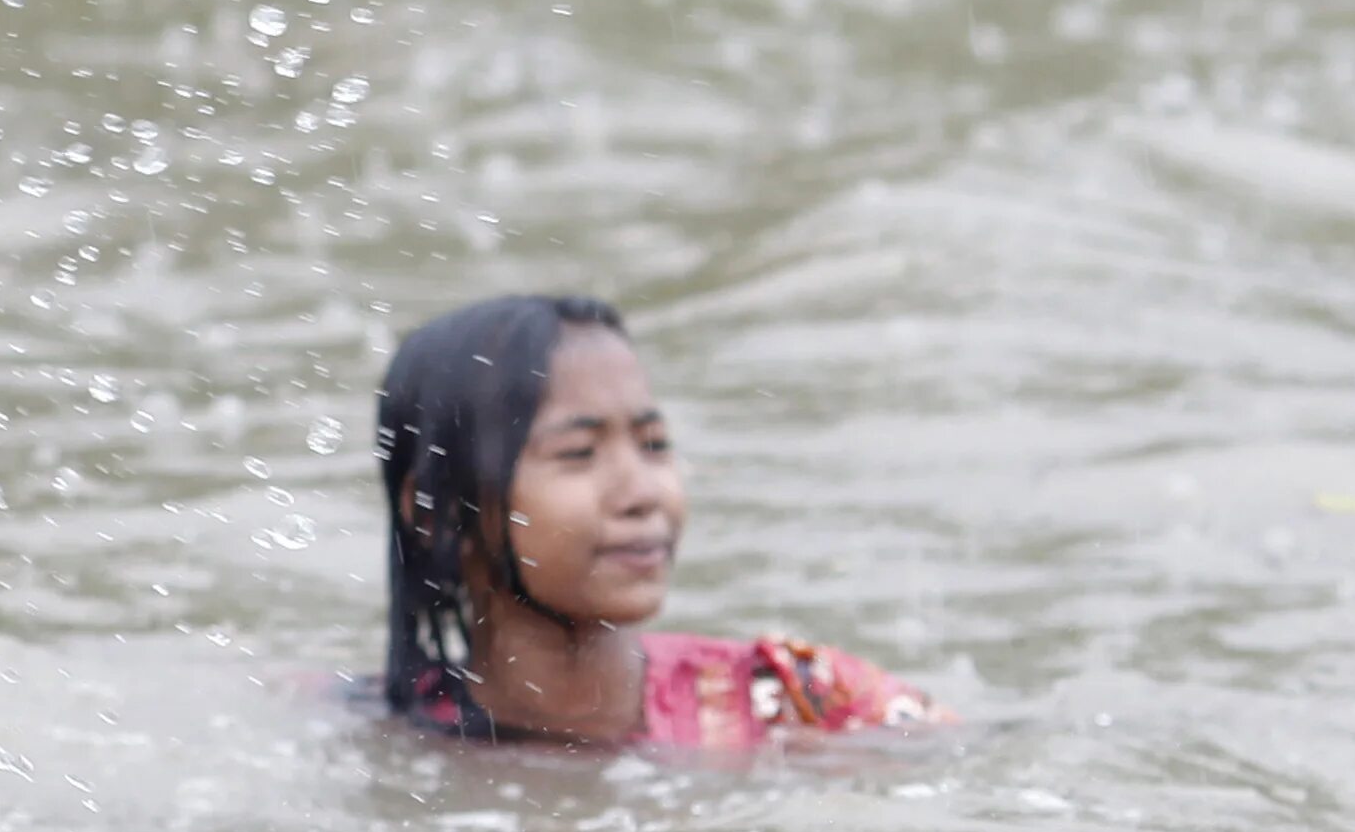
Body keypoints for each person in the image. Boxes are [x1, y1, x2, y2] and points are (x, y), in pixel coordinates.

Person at [375, 295, 944, 750]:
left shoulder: (810, 706)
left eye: (655, 444)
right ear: (438, 512)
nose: (644, 493)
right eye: (578, 452)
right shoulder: (377, 736)